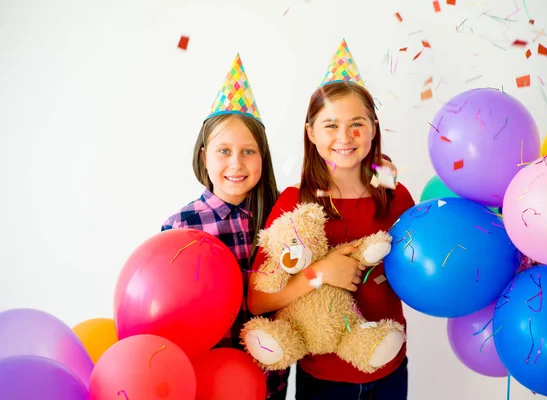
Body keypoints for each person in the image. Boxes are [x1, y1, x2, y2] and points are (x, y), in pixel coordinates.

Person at [246, 40, 415, 399]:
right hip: (322, 377)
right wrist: (319, 273)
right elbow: (258, 299)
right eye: (330, 126)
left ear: (373, 128)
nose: (344, 137)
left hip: (389, 367)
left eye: (357, 124)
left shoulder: (397, 196)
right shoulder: (295, 202)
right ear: (310, 133)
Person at [161, 54, 289, 400]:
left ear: (263, 157)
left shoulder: (281, 217)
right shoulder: (179, 229)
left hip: (270, 379)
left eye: (248, 151)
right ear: (204, 156)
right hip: (208, 382)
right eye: (223, 151)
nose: (236, 163)